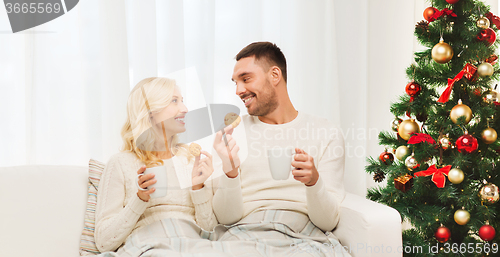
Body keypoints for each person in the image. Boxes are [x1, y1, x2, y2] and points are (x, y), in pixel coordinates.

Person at [212, 42, 351, 256]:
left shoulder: (326, 132)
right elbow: (226, 218)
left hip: (304, 236)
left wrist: (313, 182)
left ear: (275, 75)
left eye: (246, 79)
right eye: (235, 83)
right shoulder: (232, 134)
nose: (239, 90)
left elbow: (328, 222)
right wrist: (230, 171)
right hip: (243, 235)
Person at [95, 77, 219, 256]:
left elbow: (210, 232)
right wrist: (140, 199)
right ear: (150, 112)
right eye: (174, 101)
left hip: (193, 247)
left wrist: (198, 188)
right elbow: (104, 242)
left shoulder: (192, 161)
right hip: (149, 247)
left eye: (182, 101)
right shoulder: (120, 163)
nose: (185, 109)